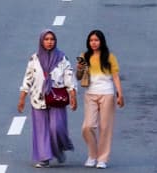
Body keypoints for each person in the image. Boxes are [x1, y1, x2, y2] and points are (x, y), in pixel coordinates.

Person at [18, 30, 77, 169]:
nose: (49, 42)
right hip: (38, 98)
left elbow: (69, 76)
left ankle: (58, 150)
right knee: (41, 130)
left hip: (56, 98)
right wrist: (22, 98)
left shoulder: (62, 58)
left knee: (57, 128)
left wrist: (73, 95)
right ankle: (44, 158)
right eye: (46, 39)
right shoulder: (34, 58)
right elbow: (28, 79)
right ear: (41, 41)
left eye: (52, 39)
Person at [78, 29, 124, 169]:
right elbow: (78, 77)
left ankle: (102, 158)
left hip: (107, 94)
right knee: (87, 127)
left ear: (101, 41)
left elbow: (115, 76)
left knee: (105, 127)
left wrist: (120, 94)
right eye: (91, 40)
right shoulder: (84, 56)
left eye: (96, 40)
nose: (94, 43)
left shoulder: (110, 57)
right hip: (90, 94)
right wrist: (79, 68)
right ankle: (92, 155)